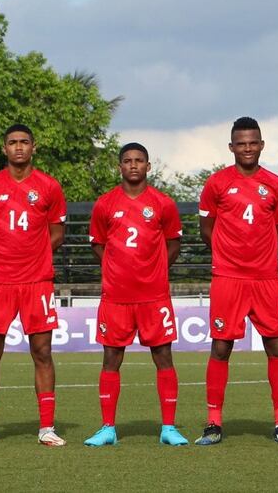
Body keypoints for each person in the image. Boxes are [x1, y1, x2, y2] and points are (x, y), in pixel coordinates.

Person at [0, 124, 67, 447]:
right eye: (12, 143)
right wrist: (0, 256)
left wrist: (33, 258)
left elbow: (57, 233)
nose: (18, 147)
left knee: (42, 351)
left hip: (37, 282)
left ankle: (47, 428)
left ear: (33, 147)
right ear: (4, 148)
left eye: (24, 142)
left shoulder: (49, 186)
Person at [195, 117, 278, 445]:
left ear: (262, 145)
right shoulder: (216, 183)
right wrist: (231, 255)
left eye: (253, 142)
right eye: (241, 143)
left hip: (266, 277)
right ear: (231, 147)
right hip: (228, 277)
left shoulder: (276, 184)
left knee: (276, 346)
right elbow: (206, 229)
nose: (248, 148)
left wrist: (259, 256)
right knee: (221, 346)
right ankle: (213, 422)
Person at [83, 142, 189, 447]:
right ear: (120, 166)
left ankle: (168, 427)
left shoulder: (163, 203)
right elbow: (97, 243)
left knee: (164, 356)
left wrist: (153, 269)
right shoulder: (105, 204)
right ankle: (107, 428)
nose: (133, 165)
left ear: (148, 166)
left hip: (154, 297)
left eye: (139, 161)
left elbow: (174, 243)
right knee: (111, 358)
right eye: (127, 161)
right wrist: (115, 268)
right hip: (116, 296)